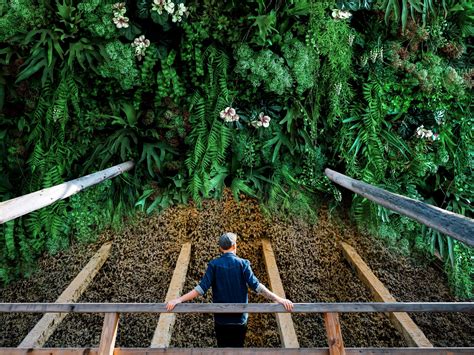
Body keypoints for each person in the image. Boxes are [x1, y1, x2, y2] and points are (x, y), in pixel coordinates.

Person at [166, 232, 294, 347]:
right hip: (240, 320)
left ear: (221, 248)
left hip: (221, 320)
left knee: (223, 349)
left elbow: (200, 289)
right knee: (237, 349)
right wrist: (279, 299)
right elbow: (258, 287)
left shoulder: (214, 265)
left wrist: (178, 300)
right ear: (234, 246)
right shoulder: (243, 264)